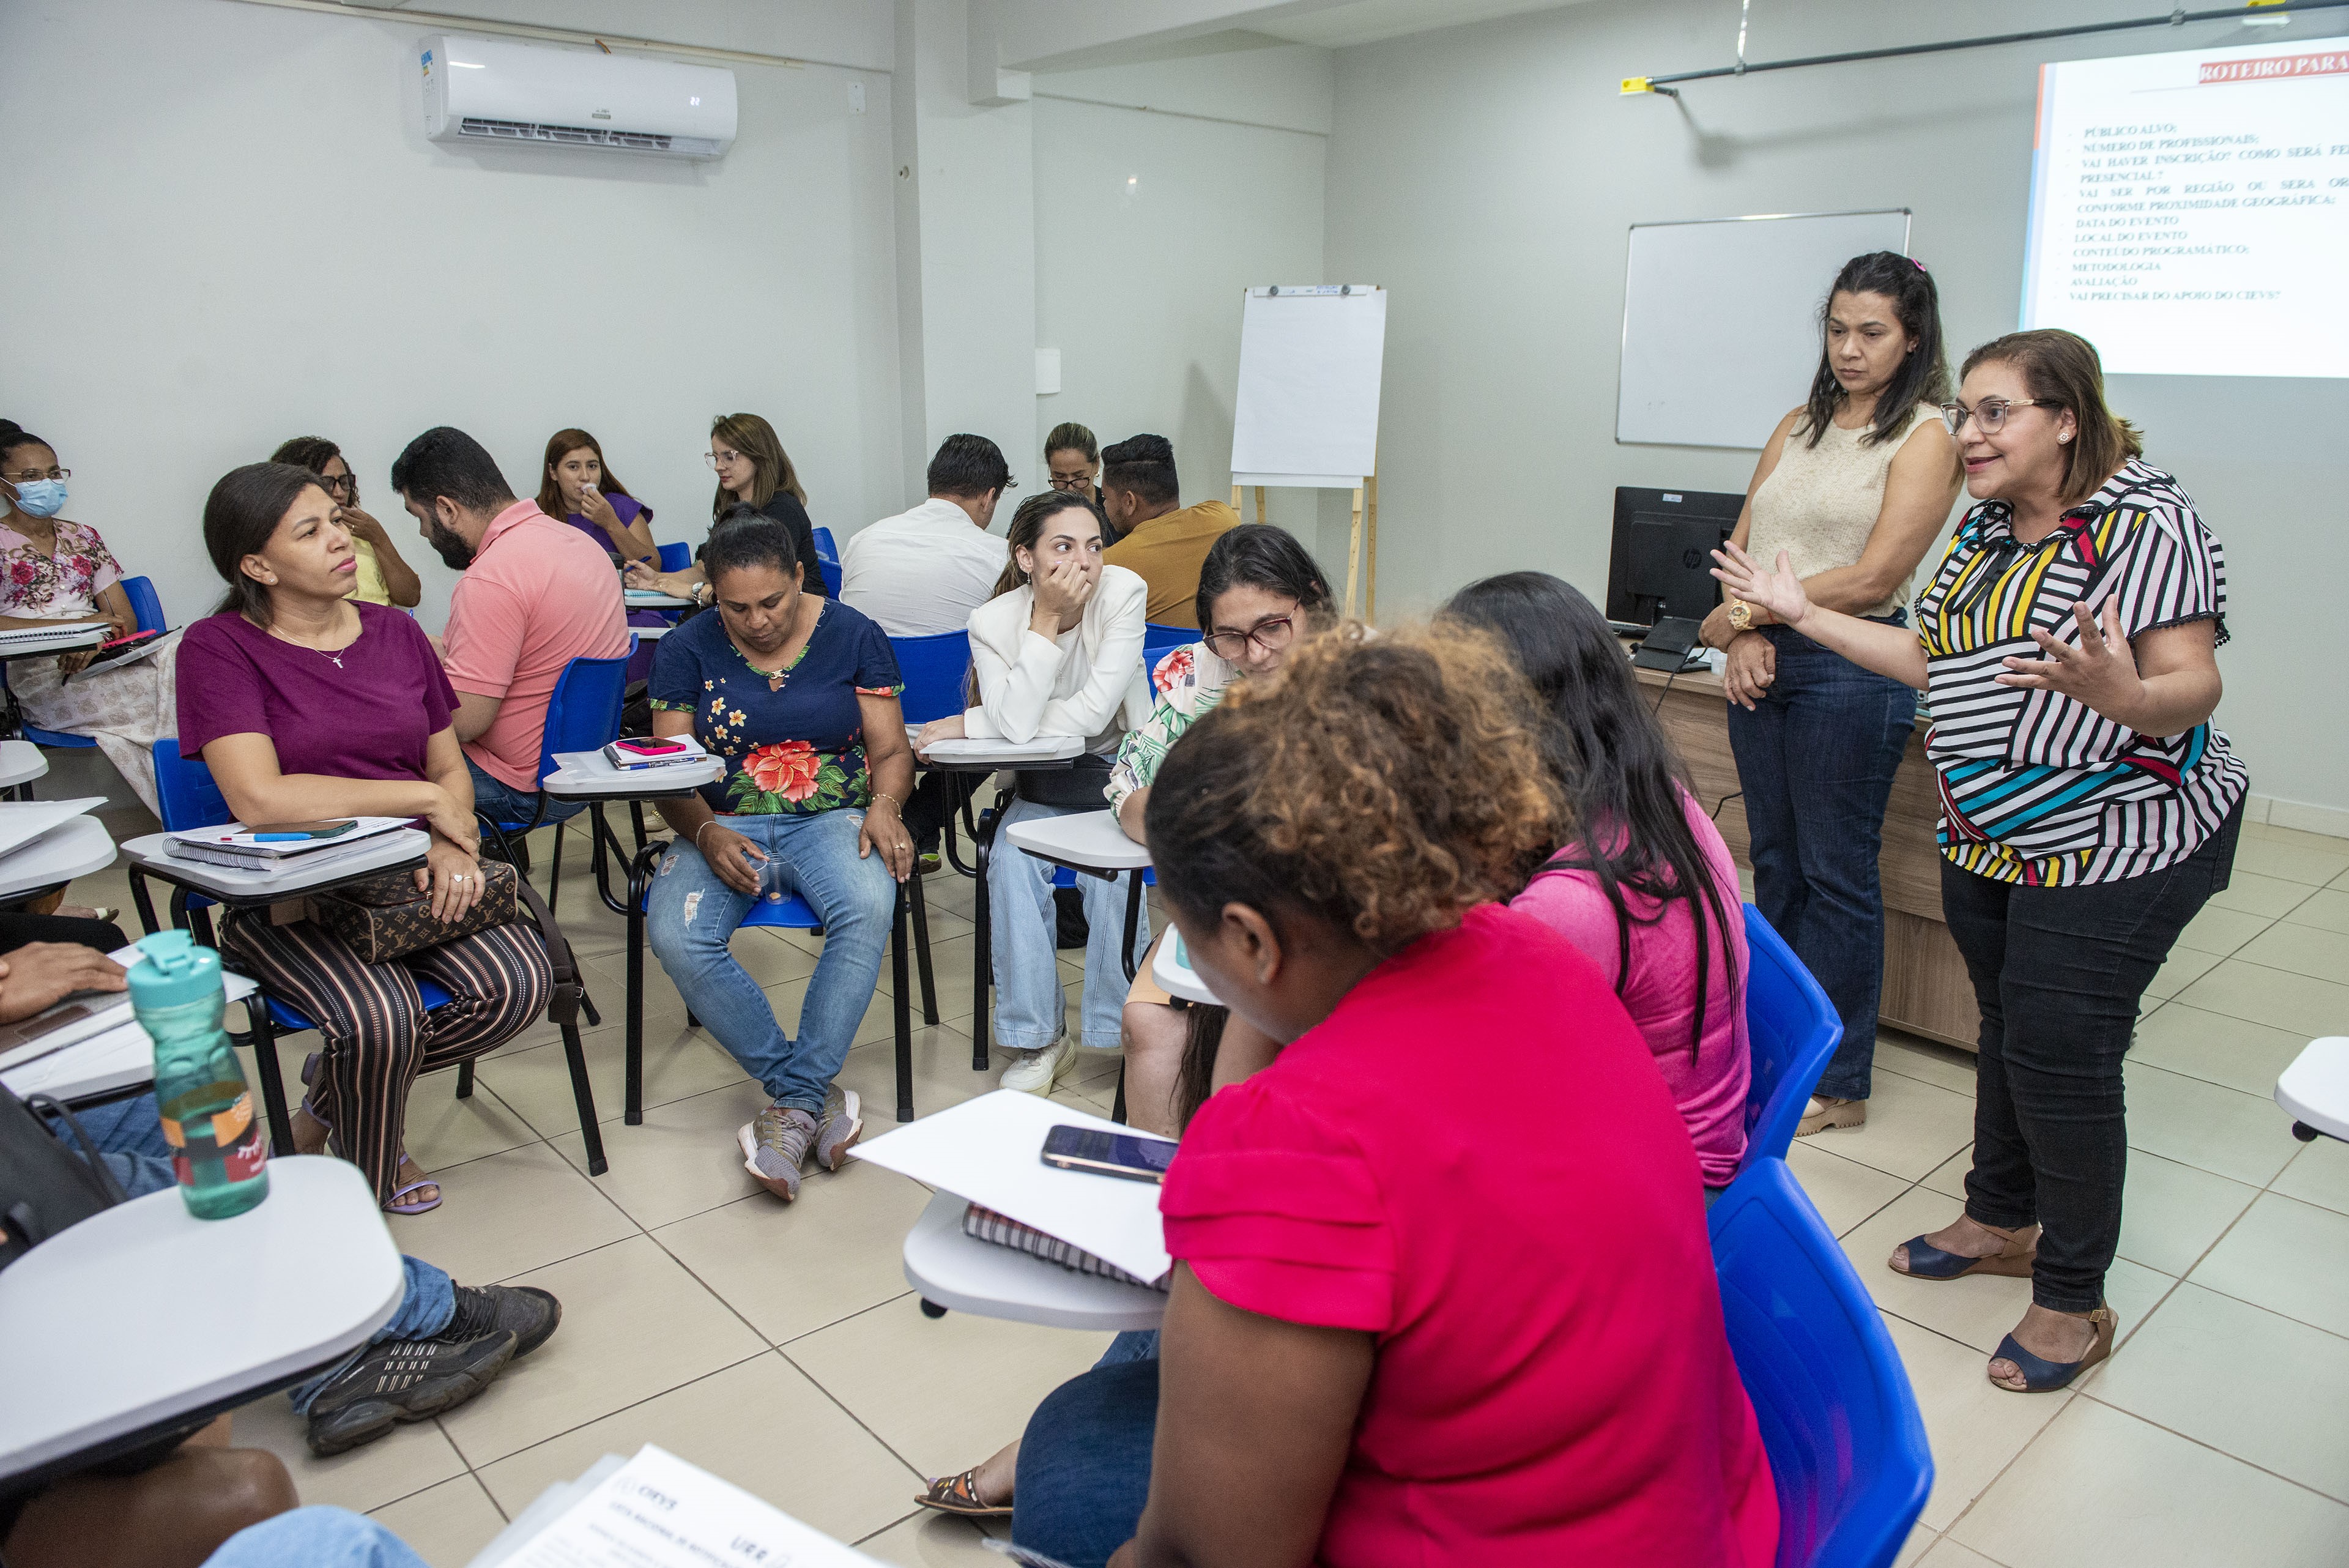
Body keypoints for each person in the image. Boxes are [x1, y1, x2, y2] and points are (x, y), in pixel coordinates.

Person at [1011, 625, 1778, 1568]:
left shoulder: (1298, 1146)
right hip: (1684, 1514)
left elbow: (1200, 1557)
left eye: (1182, 923)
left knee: (1070, 1456)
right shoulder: (1536, 952)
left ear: (1251, 939)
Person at [1713, 327, 2246, 1395]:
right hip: (1992, 834)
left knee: (2062, 1050)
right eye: (1965, 411)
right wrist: (1803, 612)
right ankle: (2000, 1216)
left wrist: (2129, 696)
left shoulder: (2148, 520)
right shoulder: (1988, 524)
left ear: (2067, 418)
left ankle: (2072, 1295)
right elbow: (1930, 658)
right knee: (2008, 1026)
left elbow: (2193, 681)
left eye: (1996, 411)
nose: (1969, 432)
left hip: (2121, 835)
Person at [913, 524, 1334, 1526]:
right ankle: (1163, 1227)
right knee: (1152, 1023)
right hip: (1239, 916)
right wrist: (1193, 823)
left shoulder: (1357, 693)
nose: (1253, 653)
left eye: (1273, 628)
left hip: (1310, 922)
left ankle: (1175, 1275)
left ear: (1313, 608)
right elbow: (1130, 787)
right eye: (1231, 635)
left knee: (1231, 1119)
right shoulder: (1198, 682)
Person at [177, 461, 554, 1215]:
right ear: (258, 566)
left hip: (404, 882)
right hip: (293, 896)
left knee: (519, 985)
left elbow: (448, 766)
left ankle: (324, 1105)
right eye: (309, 531)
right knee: (381, 1018)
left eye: (337, 519)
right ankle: (372, 1170)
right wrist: (420, 802)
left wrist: (449, 844)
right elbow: (259, 798)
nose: (340, 539)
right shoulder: (218, 647)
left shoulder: (396, 631)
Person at [1697, 251, 1962, 1136]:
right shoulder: (1797, 425)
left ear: (1913, 339)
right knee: (1774, 862)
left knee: (1835, 873)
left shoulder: (1926, 435)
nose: (1850, 349)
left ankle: (1841, 1082)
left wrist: (1750, 618)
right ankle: (1776, 1050)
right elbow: (1739, 551)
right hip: (1764, 659)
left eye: (1872, 333)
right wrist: (1743, 633)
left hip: (1850, 665)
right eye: (1838, 329)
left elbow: (1877, 575)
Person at [1447, 571, 1751, 1190]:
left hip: (1653, 1192)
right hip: (1683, 1144)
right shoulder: (1658, 798)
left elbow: (1469, 1082)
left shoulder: (1571, 904)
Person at [644, 510, 915, 1202]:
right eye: (736, 608)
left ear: (798, 575)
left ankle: (792, 1104)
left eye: (772, 601)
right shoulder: (685, 648)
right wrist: (705, 832)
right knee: (675, 930)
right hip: (721, 821)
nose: (757, 621)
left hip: (832, 816)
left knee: (867, 904)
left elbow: (890, 750)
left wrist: (885, 805)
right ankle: (806, 1094)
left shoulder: (853, 633)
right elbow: (670, 773)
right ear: (713, 593)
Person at [912, 491, 1152, 1094]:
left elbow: (1095, 713)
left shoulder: (1123, 592)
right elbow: (1020, 729)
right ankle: (1040, 1038)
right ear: (1026, 557)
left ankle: (1125, 1029)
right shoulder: (994, 622)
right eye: (1062, 547)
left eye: (1094, 546)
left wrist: (975, 721)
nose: (1083, 562)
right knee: (1010, 862)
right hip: (1042, 783)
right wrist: (1044, 621)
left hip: (1115, 779)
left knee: (1114, 878)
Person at [390, 426, 630, 828]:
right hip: (585, 769)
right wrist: (444, 654)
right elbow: (536, 657)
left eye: (420, 518)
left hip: (518, 787)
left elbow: (465, 723)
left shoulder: (490, 578)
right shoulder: (581, 545)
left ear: (447, 509)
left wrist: (395, 688)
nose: (423, 532)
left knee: (362, 770)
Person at [0, 420, 182, 816]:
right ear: (3, 485)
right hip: (44, 675)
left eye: (53, 473)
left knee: (191, 653)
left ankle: (199, 800)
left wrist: (96, 640)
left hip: (102, 656)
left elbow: (123, 617)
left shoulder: (84, 536)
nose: (47, 483)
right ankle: (194, 806)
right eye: (30, 476)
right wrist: (78, 631)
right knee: (176, 699)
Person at [623, 413, 826, 607]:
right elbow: (705, 570)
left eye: (729, 457)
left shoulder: (783, 510)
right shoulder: (734, 511)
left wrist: (688, 590)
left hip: (798, 618)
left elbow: (752, 589)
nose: (718, 467)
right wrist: (657, 580)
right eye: (716, 457)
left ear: (759, 456)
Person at [837, 433, 1012, 636]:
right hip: (955, 657)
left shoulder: (861, 541)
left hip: (869, 656)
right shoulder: (1001, 557)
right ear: (989, 497)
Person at [1097, 434, 1239, 629]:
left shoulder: (1110, 566)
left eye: (1105, 497)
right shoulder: (1223, 518)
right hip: (1220, 645)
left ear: (1130, 502)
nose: (1105, 505)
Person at [267, 438, 423, 609]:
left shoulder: (362, 531)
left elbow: (411, 597)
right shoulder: (290, 543)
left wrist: (379, 538)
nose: (340, 492)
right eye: (327, 483)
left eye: (344, 481)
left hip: (382, 623)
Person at [536, 427, 659, 566]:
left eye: (592, 466)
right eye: (573, 467)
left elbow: (654, 567)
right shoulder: (538, 516)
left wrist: (611, 523)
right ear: (553, 472)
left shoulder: (621, 506)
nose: (585, 477)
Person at [1045, 421, 1104, 508]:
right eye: (1060, 477)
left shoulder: (1114, 510)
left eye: (1079, 476)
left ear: (1096, 464)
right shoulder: (1035, 512)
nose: (1070, 489)